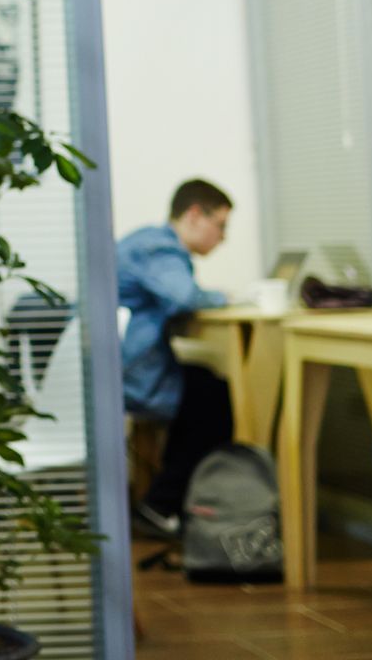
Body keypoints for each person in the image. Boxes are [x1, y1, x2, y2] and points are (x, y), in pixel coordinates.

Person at [117, 177, 233, 539]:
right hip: (130, 373)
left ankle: (161, 502)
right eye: (221, 226)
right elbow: (183, 297)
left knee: (205, 386)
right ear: (195, 215)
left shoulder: (148, 242)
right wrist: (224, 297)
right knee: (213, 398)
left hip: (123, 365)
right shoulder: (161, 249)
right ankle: (163, 505)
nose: (223, 238)